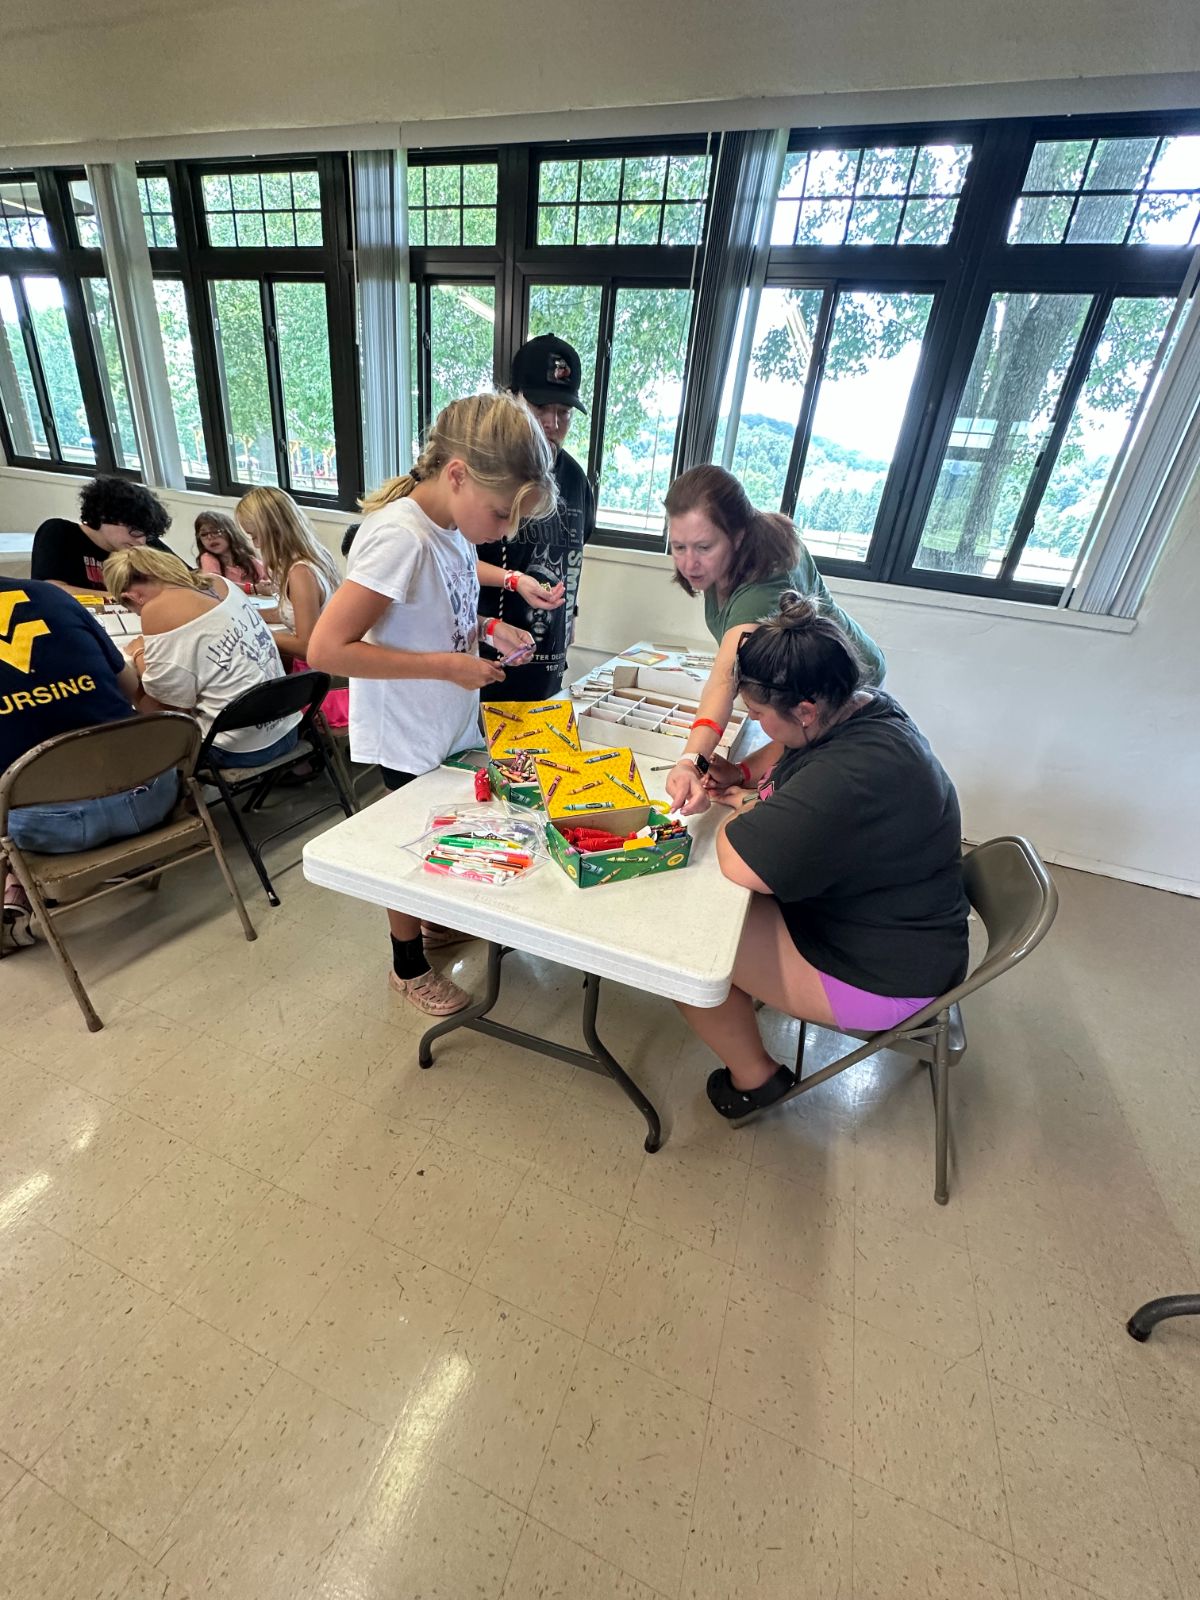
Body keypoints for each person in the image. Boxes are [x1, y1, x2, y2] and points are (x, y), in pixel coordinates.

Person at [307, 391, 561, 1016]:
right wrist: (445, 666)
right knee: (408, 844)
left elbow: (440, 603)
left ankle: (434, 922)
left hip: (444, 721)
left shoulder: (448, 527)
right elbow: (326, 649)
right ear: (457, 475)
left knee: (445, 830)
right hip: (406, 729)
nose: (506, 532)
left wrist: (487, 628)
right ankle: (407, 963)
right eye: (501, 514)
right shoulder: (399, 537)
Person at [673, 592, 969, 1120]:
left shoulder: (852, 772)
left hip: (888, 978)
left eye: (758, 714)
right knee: (716, 907)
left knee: (682, 945)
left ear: (806, 710)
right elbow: (789, 751)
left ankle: (756, 1079)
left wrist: (745, 810)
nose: (757, 723)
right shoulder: (862, 706)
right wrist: (743, 780)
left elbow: (740, 861)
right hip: (904, 928)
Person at [663, 465, 885, 817]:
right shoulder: (737, 551)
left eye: (704, 547)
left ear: (737, 536)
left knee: (801, 789)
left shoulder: (762, 584)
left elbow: (724, 681)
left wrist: (691, 761)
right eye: (679, 547)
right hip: (811, 682)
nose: (689, 563)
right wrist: (737, 771)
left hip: (847, 681)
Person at [0, 577, 178, 948]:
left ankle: (14, 896)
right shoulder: (52, 595)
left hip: (53, 828)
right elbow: (131, 688)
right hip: (153, 796)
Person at [476, 333, 595, 701]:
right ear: (513, 400)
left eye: (564, 412)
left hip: (548, 667)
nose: (552, 423)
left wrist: (571, 614)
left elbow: (573, 556)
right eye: (540, 408)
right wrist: (513, 580)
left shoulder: (576, 481)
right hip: (486, 662)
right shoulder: (486, 475)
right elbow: (452, 563)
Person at [104, 547, 300, 770]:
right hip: (287, 728)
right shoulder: (219, 582)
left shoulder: (156, 608)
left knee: (140, 707)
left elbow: (166, 709)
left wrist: (139, 653)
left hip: (241, 750)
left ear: (132, 597)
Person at [236, 488, 341, 666]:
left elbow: (307, 646)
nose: (256, 545)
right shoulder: (314, 556)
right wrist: (248, 616)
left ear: (273, 532)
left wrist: (256, 632)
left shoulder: (300, 573)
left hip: (315, 669)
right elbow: (293, 613)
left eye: (255, 537)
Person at [31, 477, 173, 593]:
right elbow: (52, 590)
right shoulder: (60, 533)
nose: (142, 541)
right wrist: (126, 599)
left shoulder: (145, 543)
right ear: (105, 516)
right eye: (135, 530)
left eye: (148, 534)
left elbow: (183, 580)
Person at [194, 510, 272, 592]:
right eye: (204, 534)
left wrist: (267, 586)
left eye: (216, 531)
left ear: (230, 532)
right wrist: (253, 589)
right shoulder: (207, 558)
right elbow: (217, 584)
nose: (210, 537)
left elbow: (271, 580)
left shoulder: (249, 561)